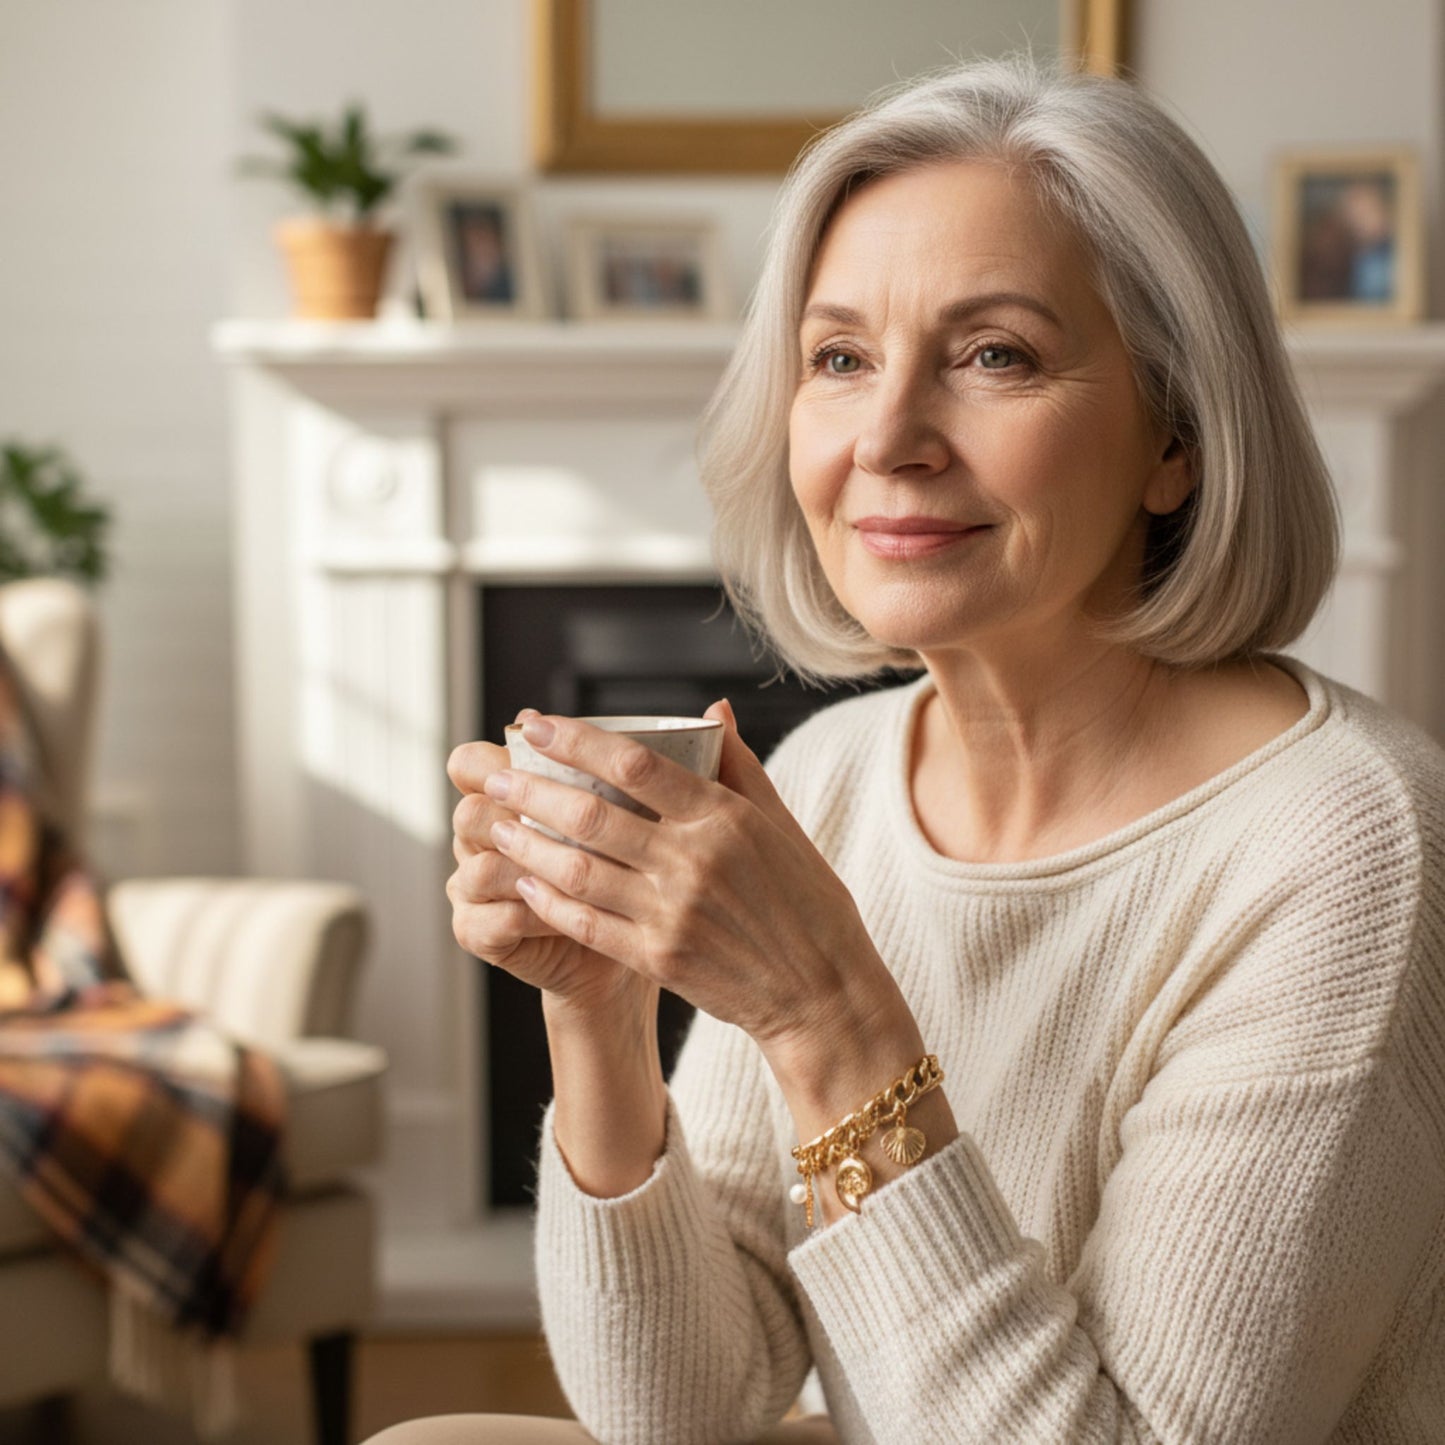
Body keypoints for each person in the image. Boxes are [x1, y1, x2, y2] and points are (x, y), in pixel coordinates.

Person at [373, 56, 1445, 1444]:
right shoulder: (830, 773)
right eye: (837, 359)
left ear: (1173, 435)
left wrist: (827, 1014)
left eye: (994, 354)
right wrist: (595, 1005)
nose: (885, 436)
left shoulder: (1347, 848)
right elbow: (682, 1404)